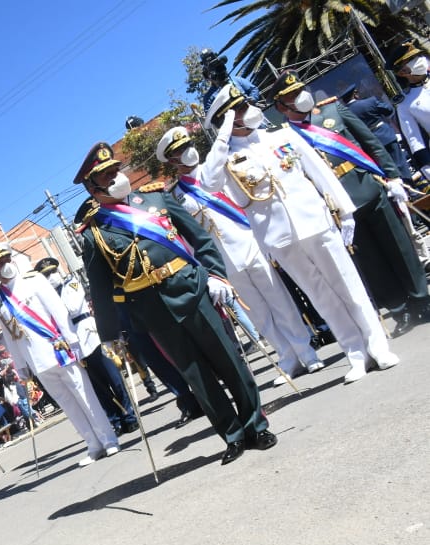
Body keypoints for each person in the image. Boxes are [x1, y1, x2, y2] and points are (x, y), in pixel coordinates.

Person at [73, 140, 275, 464]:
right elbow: (101, 289)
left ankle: (256, 426)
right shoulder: (93, 233)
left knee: (229, 361)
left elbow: (200, 238)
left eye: (115, 170)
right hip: (154, 311)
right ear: (92, 188)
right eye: (106, 175)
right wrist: (110, 334)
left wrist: (216, 275)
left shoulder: (155, 198)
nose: (115, 177)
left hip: (192, 291)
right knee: (197, 376)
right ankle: (233, 435)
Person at [202, 84, 399, 385]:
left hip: (315, 222)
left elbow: (320, 171)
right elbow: (209, 183)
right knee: (320, 295)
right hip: (279, 238)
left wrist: (345, 211)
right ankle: (355, 352)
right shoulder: (225, 158)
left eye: (245, 105)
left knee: (348, 284)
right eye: (239, 109)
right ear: (226, 120)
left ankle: (377, 346)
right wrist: (223, 135)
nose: (249, 110)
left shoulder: (280, 135)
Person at [154, 124, 324, 383]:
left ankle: (306, 352)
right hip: (223, 261)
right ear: (172, 161)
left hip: (250, 243)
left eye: (188, 146)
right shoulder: (176, 196)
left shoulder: (221, 170)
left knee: (280, 301)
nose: (188, 152)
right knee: (258, 312)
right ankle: (287, 358)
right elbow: (188, 238)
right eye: (180, 151)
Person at [270, 69, 429, 335]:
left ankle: (422, 299)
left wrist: (392, 177)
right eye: (293, 95)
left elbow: (371, 143)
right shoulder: (285, 138)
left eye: (300, 90)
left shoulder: (333, 111)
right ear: (281, 107)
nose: (301, 96)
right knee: (370, 261)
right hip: (337, 208)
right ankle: (399, 309)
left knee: (399, 246)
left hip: (368, 188)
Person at [0, 241, 120, 465]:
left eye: (7, 259)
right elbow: (10, 335)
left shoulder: (33, 280)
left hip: (58, 349)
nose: (5, 265)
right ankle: (93, 444)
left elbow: (58, 311)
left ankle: (109, 439)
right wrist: (21, 366)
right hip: (36, 360)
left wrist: (73, 341)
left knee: (85, 397)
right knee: (68, 405)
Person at [33, 257, 140, 434]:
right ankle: (115, 420)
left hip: (91, 337)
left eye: (52, 272)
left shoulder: (71, 284)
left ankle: (129, 416)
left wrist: (54, 303)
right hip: (75, 345)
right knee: (98, 387)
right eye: (47, 275)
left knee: (114, 379)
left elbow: (73, 307)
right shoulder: (46, 296)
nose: (51, 277)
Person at [341, 84, 413, 180]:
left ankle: (400, 187)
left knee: (386, 171)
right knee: (400, 164)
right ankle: (410, 185)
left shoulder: (344, 114)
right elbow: (388, 110)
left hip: (369, 145)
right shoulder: (370, 102)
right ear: (355, 94)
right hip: (386, 136)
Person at [393, 42, 430, 183]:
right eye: (412, 60)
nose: (420, 60)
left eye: (418, 56)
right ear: (402, 72)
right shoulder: (405, 103)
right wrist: (427, 168)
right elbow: (414, 139)